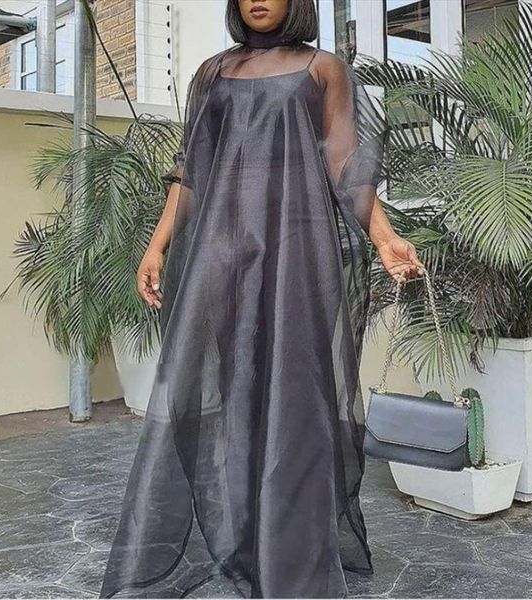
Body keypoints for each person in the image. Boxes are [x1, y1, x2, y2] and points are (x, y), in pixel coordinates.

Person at [99, 0, 423, 598]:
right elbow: (191, 170)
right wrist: (156, 246)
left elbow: (345, 164)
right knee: (239, 399)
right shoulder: (212, 73)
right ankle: (247, 542)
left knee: (299, 399)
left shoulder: (322, 69)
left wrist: (384, 237)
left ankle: (293, 558)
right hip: (224, 257)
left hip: (301, 255)